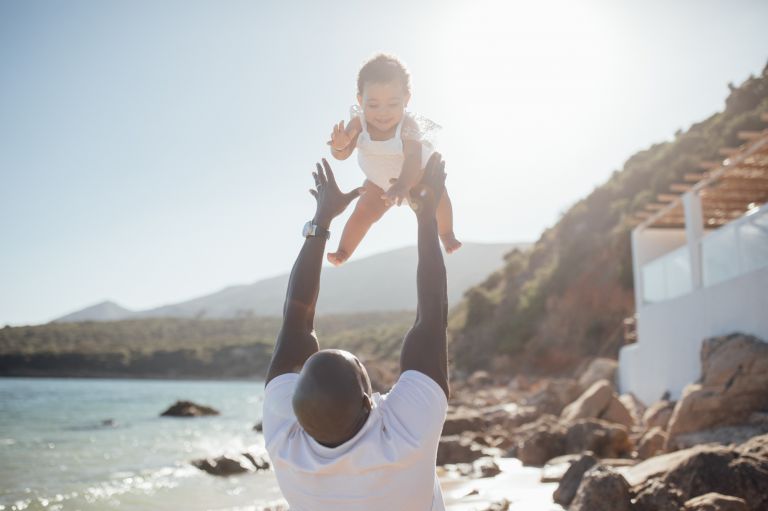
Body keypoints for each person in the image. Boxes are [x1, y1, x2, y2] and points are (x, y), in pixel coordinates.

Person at [262, 153, 451, 510]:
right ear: (367, 401)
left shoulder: (284, 443)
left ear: (298, 412)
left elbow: (295, 319)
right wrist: (426, 215)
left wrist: (321, 220)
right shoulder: (405, 433)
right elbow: (432, 315)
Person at [326, 54, 461, 266]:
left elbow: (413, 158)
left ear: (406, 99)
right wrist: (340, 145)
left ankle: (446, 234)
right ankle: (344, 250)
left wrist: (402, 184)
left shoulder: (408, 126)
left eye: (392, 104)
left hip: (416, 177)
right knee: (363, 212)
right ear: (360, 101)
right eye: (373, 105)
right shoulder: (358, 124)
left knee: (439, 196)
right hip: (377, 182)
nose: (383, 113)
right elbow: (342, 156)